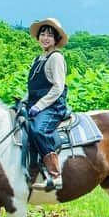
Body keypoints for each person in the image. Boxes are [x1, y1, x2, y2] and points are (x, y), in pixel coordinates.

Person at [25, 17, 71, 190]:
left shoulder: (56, 58)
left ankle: (54, 174)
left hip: (52, 105)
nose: (45, 38)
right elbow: (32, 87)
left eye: (49, 36)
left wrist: (39, 106)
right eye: (42, 34)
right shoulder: (38, 59)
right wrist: (24, 102)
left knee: (38, 130)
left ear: (55, 40)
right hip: (34, 103)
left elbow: (58, 87)